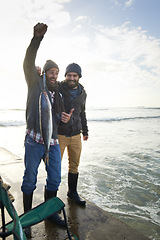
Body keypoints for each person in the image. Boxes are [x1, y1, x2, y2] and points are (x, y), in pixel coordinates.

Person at [21, 23, 73, 233]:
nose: (54, 75)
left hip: (52, 143)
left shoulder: (58, 93)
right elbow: (28, 63)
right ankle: (26, 218)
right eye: (51, 72)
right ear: (45, 73)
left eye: (56, 73)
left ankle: (49, 213)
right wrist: (36, 39)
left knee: (55, 179)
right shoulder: (35, 84)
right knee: (29, 179)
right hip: (34, 141)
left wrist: (64, 119)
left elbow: (56, 121)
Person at [58, 63, 89, 206]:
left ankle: (72, 192)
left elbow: (82, 113)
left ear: (79, 77)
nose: (71, 78)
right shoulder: (58, 87)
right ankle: (52, 199)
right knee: (55, 166)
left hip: (77, 134)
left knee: (74, 165)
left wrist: (85, 131)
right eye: (69, 75)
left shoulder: (83, 93)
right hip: (60, 134)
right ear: (65, 76)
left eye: (74, 75)